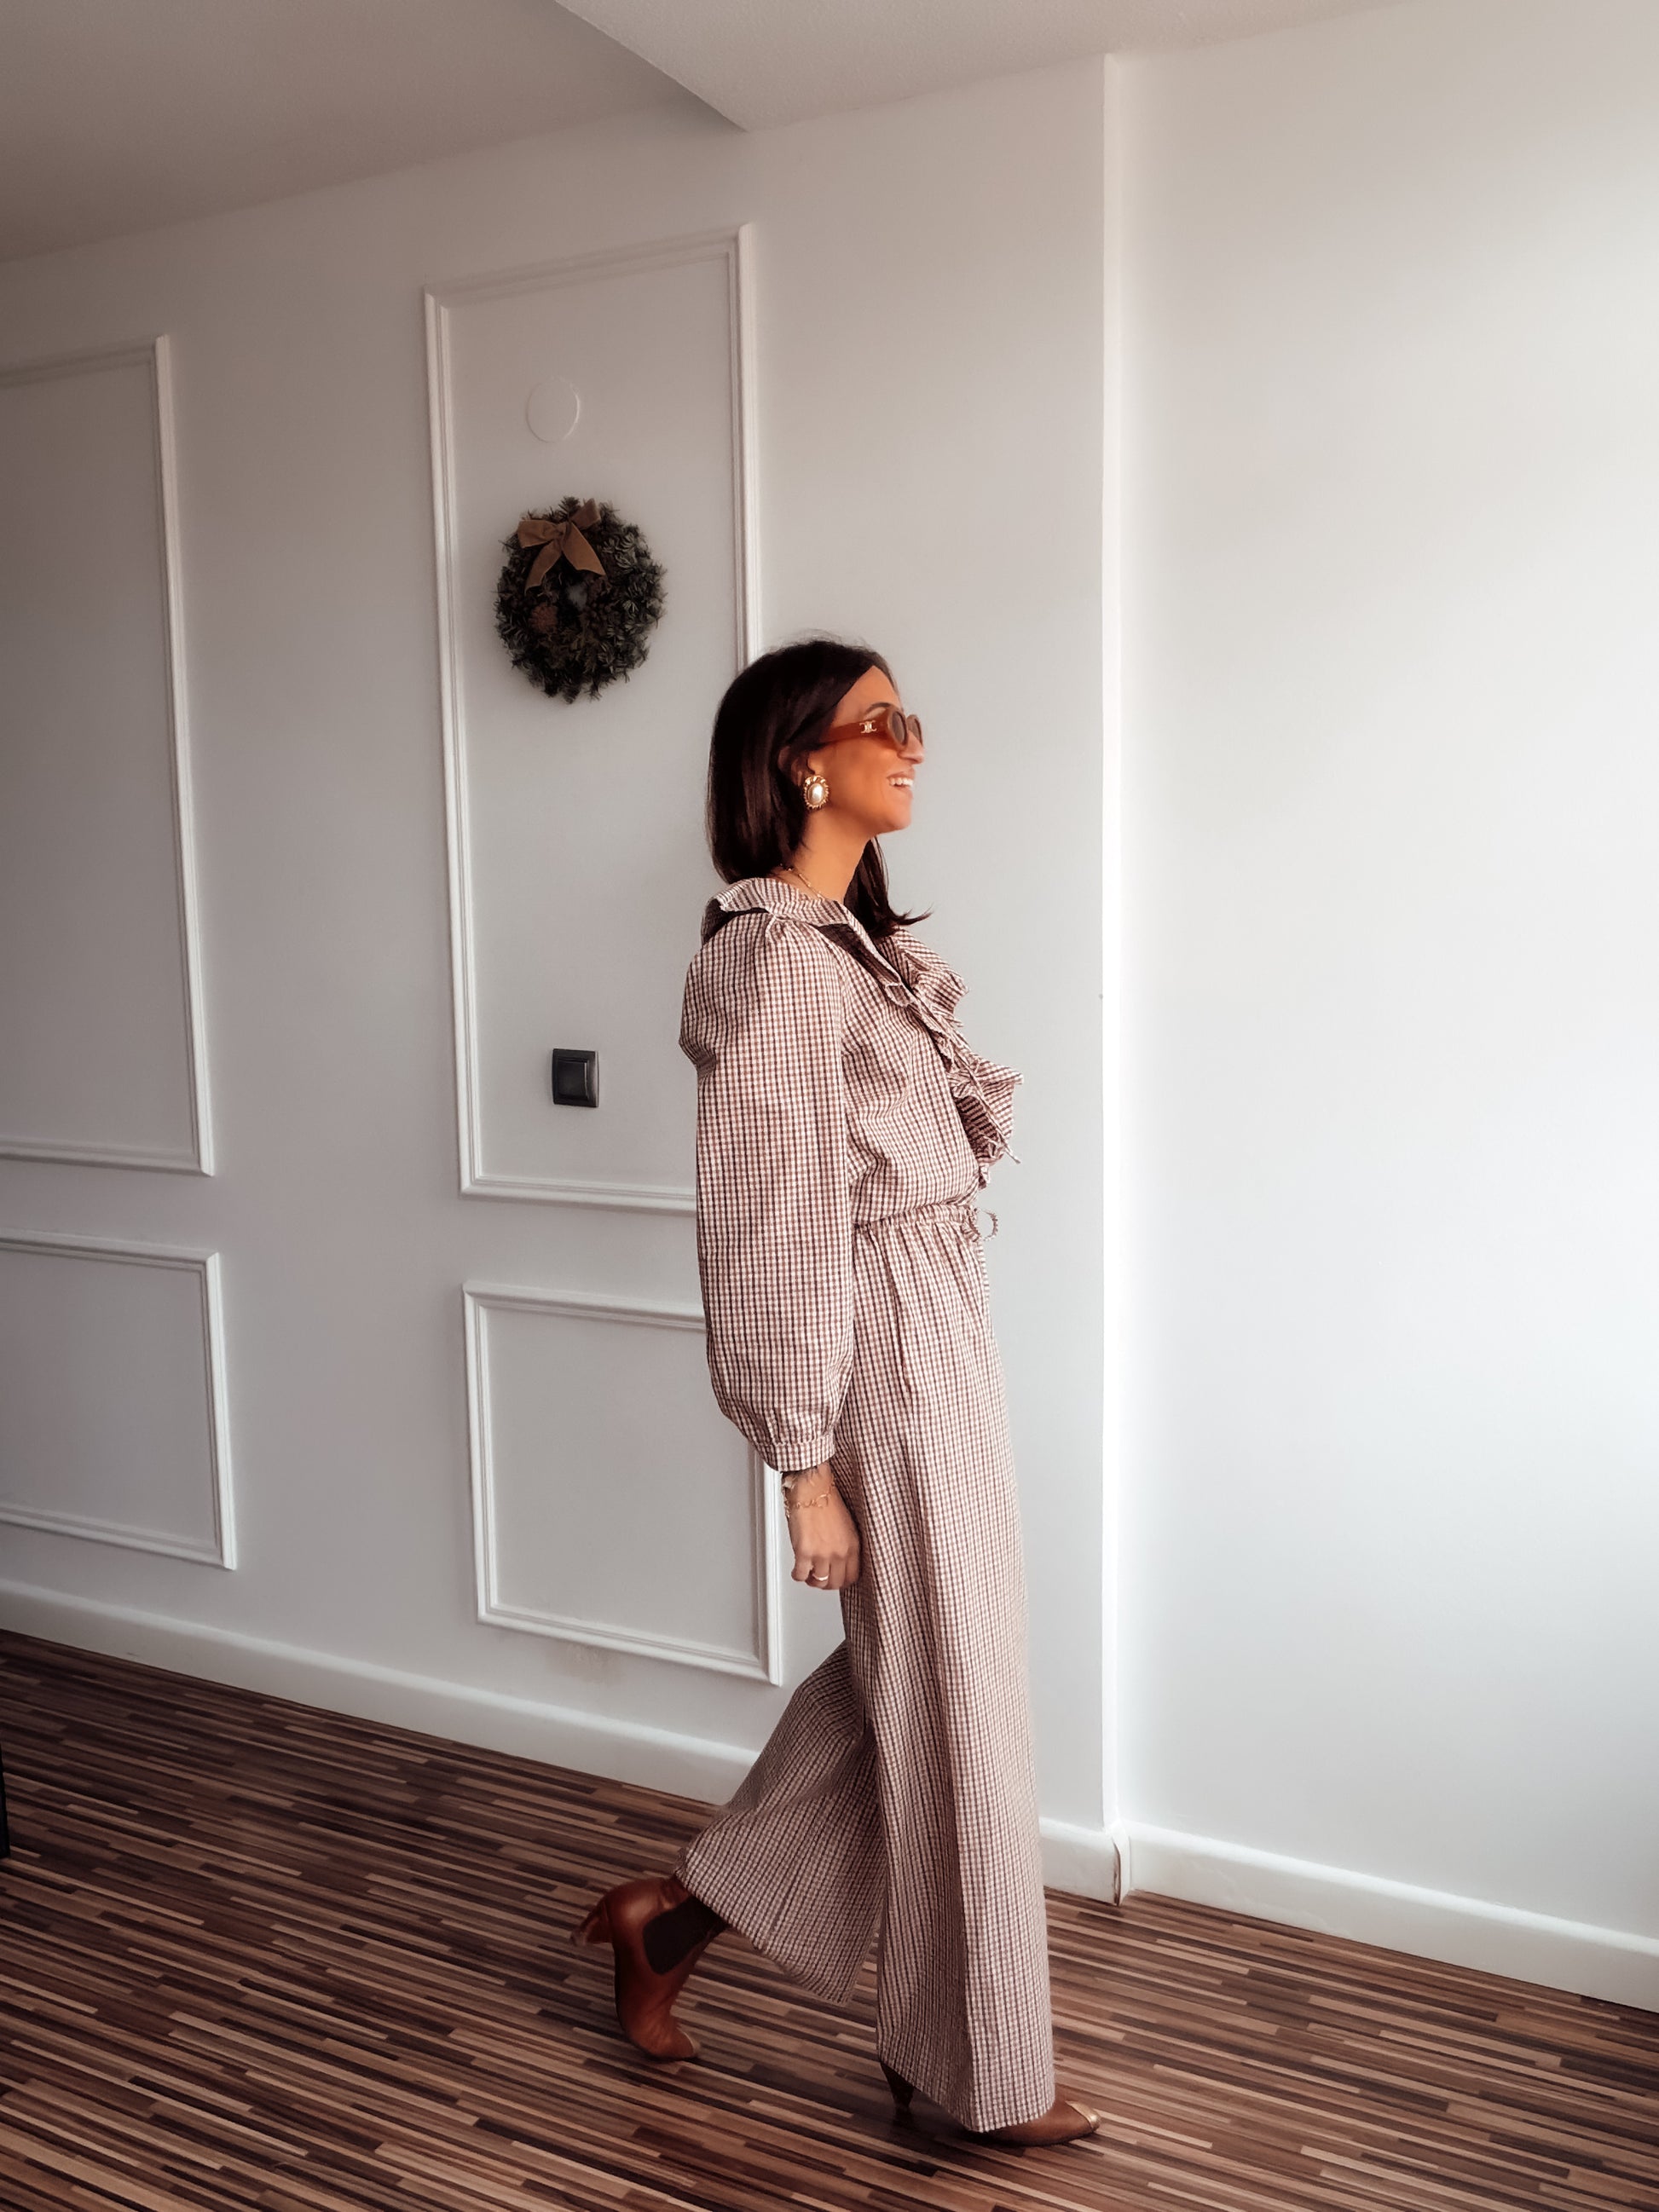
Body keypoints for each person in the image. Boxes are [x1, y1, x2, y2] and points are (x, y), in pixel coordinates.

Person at [573, 638, 1098, 2146]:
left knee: (927, 1675)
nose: (912, 744)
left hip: (941, 1329)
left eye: (908, 718)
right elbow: (766, 1225)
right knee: (953, 1689)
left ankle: (671, 1922)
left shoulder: (849, 950)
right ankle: (968, 2070)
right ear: (802, 759)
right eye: (883, 722)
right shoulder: (768, 960)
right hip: (878, 1350)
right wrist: (801, 1463)